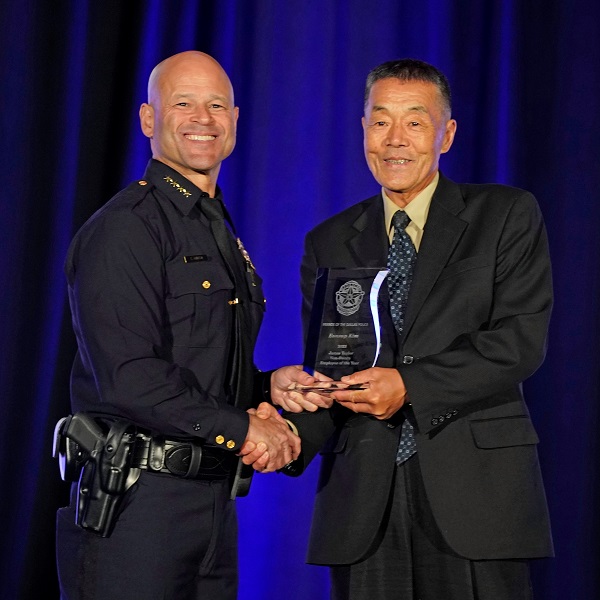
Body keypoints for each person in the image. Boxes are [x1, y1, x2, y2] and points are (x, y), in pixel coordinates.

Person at [55, 50, 329, 600]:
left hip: (211, 505)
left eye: (216, 105)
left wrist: (263, 386)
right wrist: (247, 428)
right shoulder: (125, 230)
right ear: (149, 119)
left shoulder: (217, 231)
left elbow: (194, 369)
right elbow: (132, 378)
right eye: (183, 103)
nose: (203, 118)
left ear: (233, 121)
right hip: (138, 508)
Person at [278, 59, 554, 599]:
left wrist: (410, 385)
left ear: (446, 134)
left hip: (477, 496)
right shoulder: (329, 241)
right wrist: (288, 431)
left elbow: (517, 343)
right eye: (380, 121)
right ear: (363, 131)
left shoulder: (504, 215)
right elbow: (337, 369)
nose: (395, 140)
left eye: (415, 121)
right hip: (364, 504)